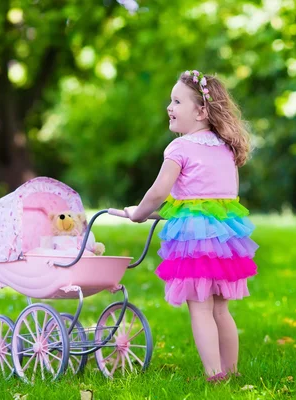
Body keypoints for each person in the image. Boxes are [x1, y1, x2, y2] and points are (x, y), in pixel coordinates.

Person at [110, 70, 259, 382]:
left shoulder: (179, 148)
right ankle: (231, 372)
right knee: (221, 310)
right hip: (226, 235)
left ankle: (214, 374)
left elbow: (159, 193)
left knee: (201, 309)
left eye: (177, 101)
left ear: (201, 111)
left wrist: (139, 213)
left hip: (194, 240)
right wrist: (145, 211)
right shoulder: (225, 147)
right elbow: (216, 197)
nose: (170, 106)